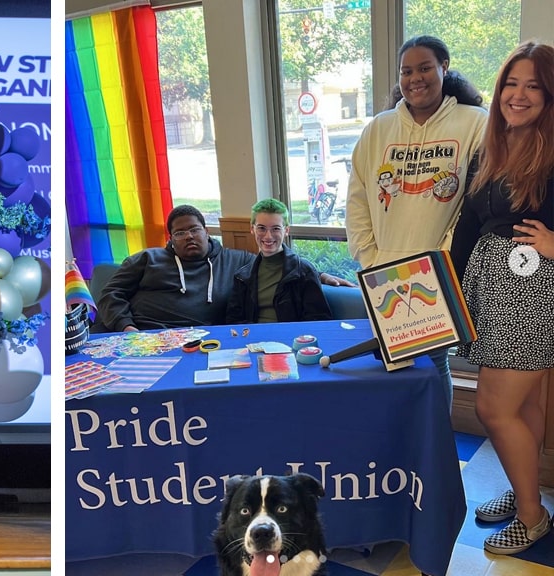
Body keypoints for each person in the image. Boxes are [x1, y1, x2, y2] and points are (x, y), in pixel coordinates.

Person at [449, 41, 554, 555]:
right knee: (528, 404)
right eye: (511, 83)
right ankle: (524, 490)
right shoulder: (493, 146)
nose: (518, 94)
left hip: (531, 290)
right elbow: (468, 223)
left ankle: (533, 519)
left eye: (533, 85)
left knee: (493, 407)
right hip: (490, 286)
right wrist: (450, 287)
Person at [345, 35, 488, 409]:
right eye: (407, 71)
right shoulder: (378, 128)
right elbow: (358, 197)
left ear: (444, 66)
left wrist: (444, 262)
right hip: (382, 270)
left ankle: (437, 446)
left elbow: (473, 205)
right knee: (391, 364)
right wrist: (368, 257)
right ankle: (401, 452)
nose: (415, 78)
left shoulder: (475, 124)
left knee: (435, 362)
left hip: (436, 271)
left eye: (425, 68)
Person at [97, 205, 349, 331]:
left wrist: (320, 274)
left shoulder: (235, 260)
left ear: (206, 232)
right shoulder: (147, 259)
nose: (188, 237)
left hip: (199, 344)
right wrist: (126, 327)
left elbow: (279, 263)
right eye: (180, 233)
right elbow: (111, 293)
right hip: (141, 337)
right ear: (171, 237)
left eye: (194, 230)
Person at [225, 199, 331, 323]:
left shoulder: (304, 271)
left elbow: (318, 319)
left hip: (292, 339)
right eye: (261, 228)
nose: (268, 236)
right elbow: (233, 320)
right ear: (252, 229)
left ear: (286, 230)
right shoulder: (242, 276)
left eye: (275, 229)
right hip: (252, 339)